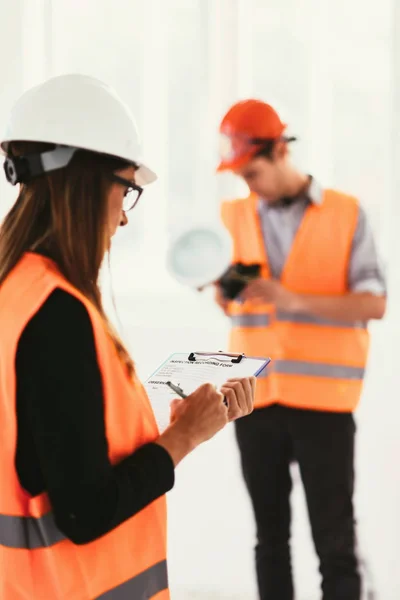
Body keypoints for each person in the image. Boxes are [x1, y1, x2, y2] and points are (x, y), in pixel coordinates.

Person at [0, 74, 255, 600]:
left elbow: (45, 460)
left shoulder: (14, 292)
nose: (123, 216)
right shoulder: (57, 315)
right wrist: (183, 438)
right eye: (127, 190)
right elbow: (84, 511)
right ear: (88, 182)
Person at [213, 99, 386, 600]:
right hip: (254, 400)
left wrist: (292, 298)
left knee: (335, 542)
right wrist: (223, 287)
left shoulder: (347, 213)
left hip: (325, 404)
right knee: (270, 539)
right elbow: (231, 300)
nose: (248, 184)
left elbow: (374, 303)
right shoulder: (233, 215)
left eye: (253, 171)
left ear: (281, 149)